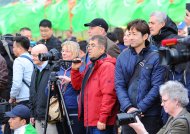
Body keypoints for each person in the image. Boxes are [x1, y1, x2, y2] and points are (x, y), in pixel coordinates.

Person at [115, 19, 165, 134]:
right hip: (128, 114)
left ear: (145, 36)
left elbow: (157, 86)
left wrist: (140, 108)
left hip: (150, 114)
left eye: (134, 34)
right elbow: (119, 85)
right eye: (129, 33)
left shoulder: (157, 55)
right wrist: (128, 107)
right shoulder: (122, 57)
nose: (131, 37)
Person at [71, 35, 118, 134]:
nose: (89, 48)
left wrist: (103, 118)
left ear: (102, 49)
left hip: (100, 122)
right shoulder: (91, 65)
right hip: (89, 120)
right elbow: (77, 86)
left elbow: (109, 95)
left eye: (93, 45)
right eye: (88, 45)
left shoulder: (107, 66)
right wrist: (75, 70)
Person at [56, 41, 85, 134]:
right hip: (59, 109)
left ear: (75, 52)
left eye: (67, 51)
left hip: (74, 108)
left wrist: (70, 80)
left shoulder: (81, 67)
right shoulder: (58, 67)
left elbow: (83, 87)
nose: (63, 53)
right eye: (63, 51)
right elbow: (46, 92)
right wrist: (52, 86)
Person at [29, 44, 58, 134]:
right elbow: (32, 93)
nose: (32, 57)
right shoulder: (35, 70)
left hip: (50, 117)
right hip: (37, 116)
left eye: (35, 55)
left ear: (44, 55)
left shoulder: (53, 70)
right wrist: (32, 114)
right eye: (31, 54)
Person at [9, 36, 33, 106]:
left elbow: (17, 83)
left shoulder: (18, 61)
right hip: (33, 95)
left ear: (19, 49)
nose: (13, 49)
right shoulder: (32, 58)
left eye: (14, 47)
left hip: (23, 97)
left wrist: (12, 96)